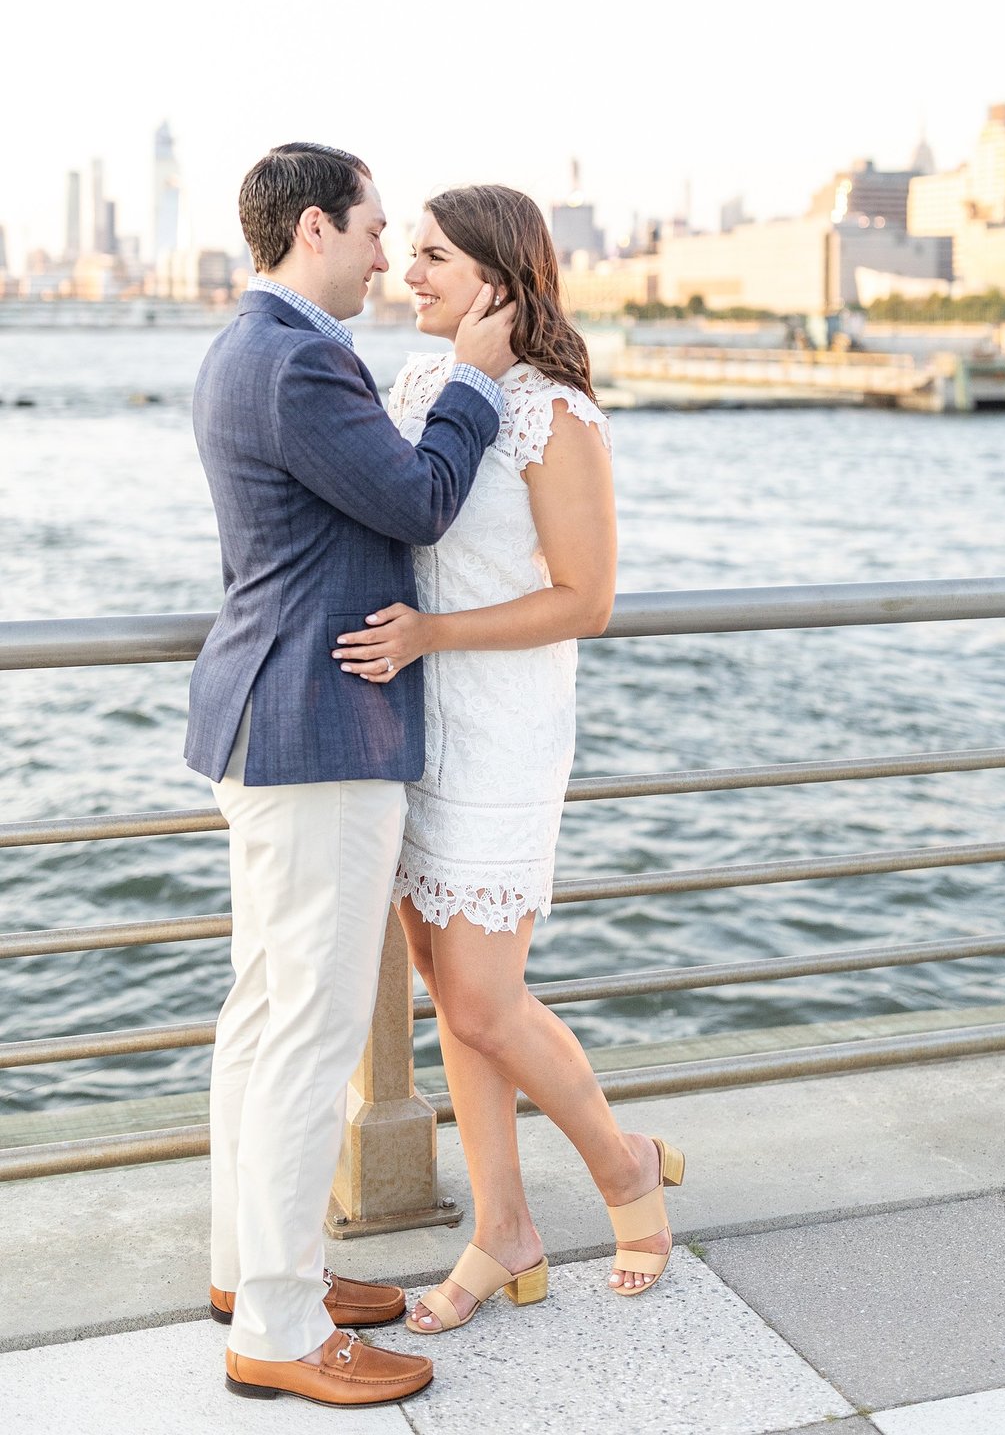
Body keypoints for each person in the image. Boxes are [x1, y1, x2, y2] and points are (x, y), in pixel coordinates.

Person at [186, 143, 516, 1408]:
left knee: (265, 1017)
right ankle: (275, 1325)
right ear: (317, 225)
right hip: (318, 732)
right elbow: (421, 499)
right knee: (305, 1033)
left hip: (271, 722)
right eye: (378, 230)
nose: (388, 255)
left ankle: (253, 1270)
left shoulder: (243, 345)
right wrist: (475, 383)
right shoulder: (300, 358)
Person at [330, 184, 684, 1335]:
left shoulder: (555, 415)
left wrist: (432, 634)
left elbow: (586, 600)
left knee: (486, 997)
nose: (408, 273)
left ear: (497, 275)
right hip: (417, 728)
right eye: (409, 253)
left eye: (432, 257)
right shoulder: (423, 386)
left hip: (503, 737)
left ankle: (624, 1166)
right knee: (453, 998)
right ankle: (504, 1230)